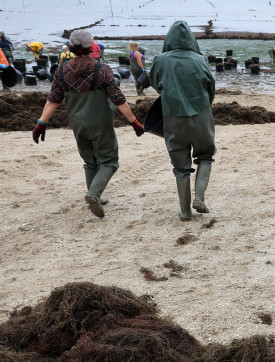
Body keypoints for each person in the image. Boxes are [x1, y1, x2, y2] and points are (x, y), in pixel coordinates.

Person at [32, 29, 144, 219]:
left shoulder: (61, 71)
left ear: (71, 48)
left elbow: (53, 100)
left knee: (89, 161)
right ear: (92, 46)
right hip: (100, 124)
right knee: (109, 161)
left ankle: (96, 196)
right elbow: (119, 99)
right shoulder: (103, 70)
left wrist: (41, 123)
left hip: (78, 125)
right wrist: (134, 122)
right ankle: (93, 194)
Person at [149, 20, 216, 221]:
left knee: (180, 167)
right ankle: (200, 197)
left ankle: (185, 212)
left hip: (172, 116)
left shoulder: (160, 59)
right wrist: (203, 105)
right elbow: (210, 87)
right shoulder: (199, 59)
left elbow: (155, 83)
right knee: (205, 156)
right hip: (201, 115)